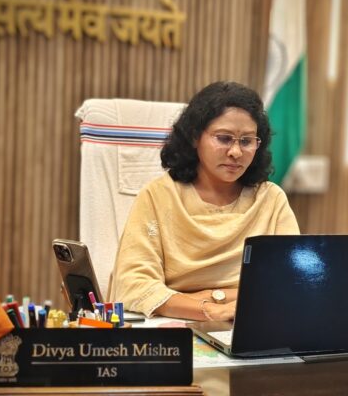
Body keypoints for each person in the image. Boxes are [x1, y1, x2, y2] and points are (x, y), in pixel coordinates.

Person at [107, 81, 300, 321]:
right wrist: (211, 310)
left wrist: (213, 296)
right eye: (224, 138)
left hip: (249, 321)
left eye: (246, 141)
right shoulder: (158, 196)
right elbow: (133, 285)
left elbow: (290, 282)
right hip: (174, 324)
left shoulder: (270, 200)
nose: (236, 152)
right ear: (195, 137)